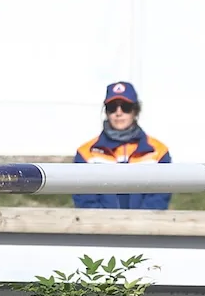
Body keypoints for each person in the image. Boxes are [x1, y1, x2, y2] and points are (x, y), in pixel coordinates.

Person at [73, 81, 172, 210]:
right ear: (106, 112)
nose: (118, 113)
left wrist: (138, 223)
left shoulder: (158, 152)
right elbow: (84, 198)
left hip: (145, 226)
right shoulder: (86, 153)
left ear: (135, 111)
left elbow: (160, 197)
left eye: (125, 107)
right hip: (100, 226)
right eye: (112, 107)